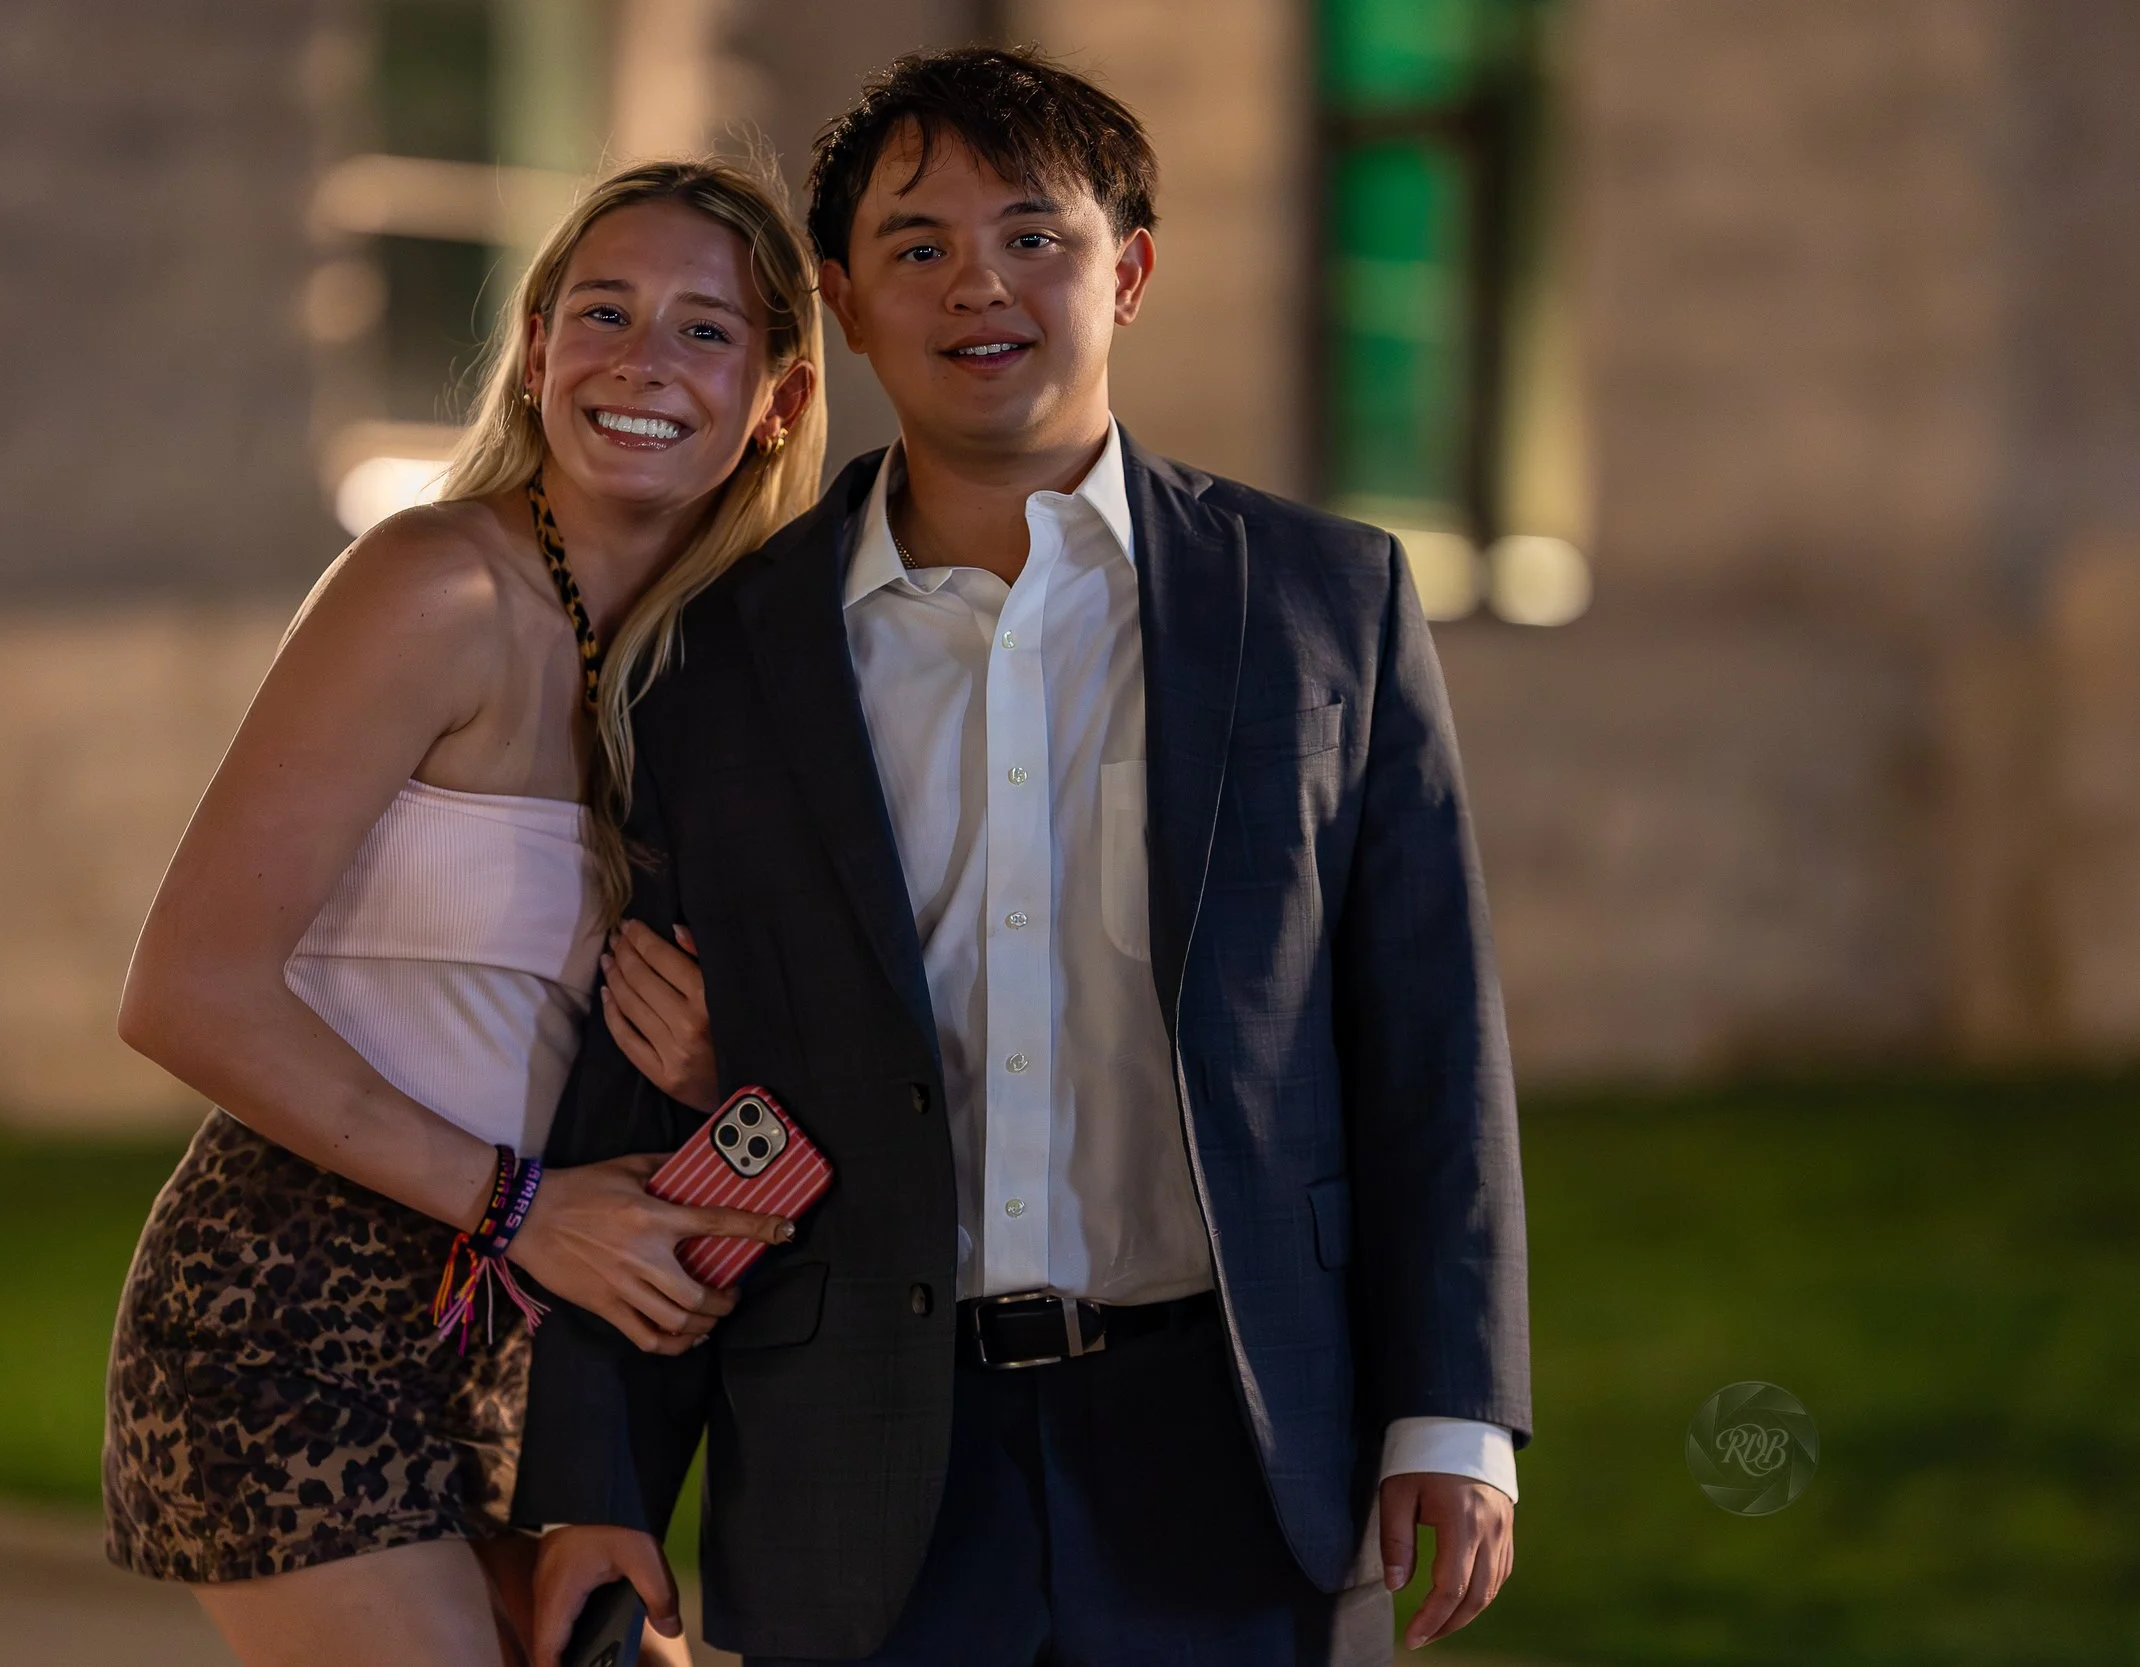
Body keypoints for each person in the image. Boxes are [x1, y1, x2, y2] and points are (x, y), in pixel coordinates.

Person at [519, 49, 1531, 1667]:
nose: (977, 283)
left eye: (1034, 236)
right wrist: (596, 1477)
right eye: (916, 246)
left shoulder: (1327, 602)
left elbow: (1424, 1032)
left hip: (1240, 1451)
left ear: (1126, 270)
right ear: (844, 303)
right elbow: (646, 1079)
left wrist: (1454, 1407)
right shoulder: (720, 654)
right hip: (858, 1471)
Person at [100, 159, 824, 1667]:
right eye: (604, 313)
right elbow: (185, 987)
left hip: (525, 1332)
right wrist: (520, 1207)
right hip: (291, 1306)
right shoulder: (435, 586)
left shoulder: (722, 665)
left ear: (775, 394)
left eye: (704, 330)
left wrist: (700, 1074)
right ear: (540, 346)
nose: (641, 359)